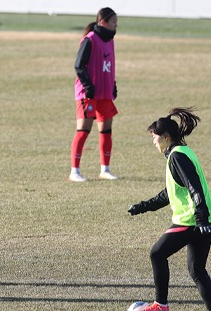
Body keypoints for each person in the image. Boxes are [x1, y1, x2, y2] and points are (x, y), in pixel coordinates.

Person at [128, 107, 211, 311]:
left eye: (154, 138)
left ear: (165, 137)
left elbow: (195, 187)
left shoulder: (177, 156)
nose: (153, 142)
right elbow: (168, 194)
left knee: (157, 253)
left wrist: (200, 217)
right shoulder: (181, 153)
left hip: (193, 221)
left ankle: (161, 304)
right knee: (197, 270)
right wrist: (143, 207)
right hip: (205, 221)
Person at [69, 7, 119, 182]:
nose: (116, 26)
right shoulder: (90, 40)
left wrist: (112, 84)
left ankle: (105, 169)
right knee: (83, 130)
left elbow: (108, 65)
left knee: (106, 131)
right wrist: (88, 86)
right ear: (103, 22)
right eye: (114, 22)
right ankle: (74, 171)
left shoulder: (110, 41)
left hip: (104, 94)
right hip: (88, 94)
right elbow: (78, 66)